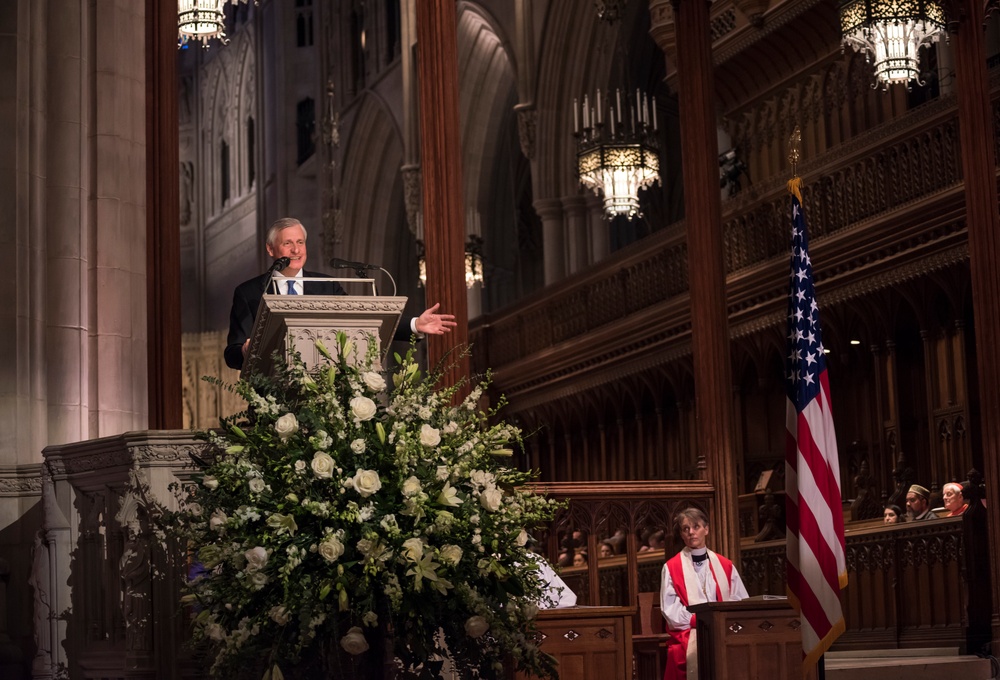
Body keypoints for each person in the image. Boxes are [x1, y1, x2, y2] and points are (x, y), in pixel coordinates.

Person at [224, 217, 457, 370]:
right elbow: (231, 354)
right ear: (271, 249)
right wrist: (246, 351)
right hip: (272, 401)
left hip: (326, 394)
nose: (296, 250)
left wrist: (416, 324)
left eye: (300, 242)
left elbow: (363, 321)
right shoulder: (250, 293)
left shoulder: (328, 285)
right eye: (288, 244)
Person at [661, 507, 748, 680]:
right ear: (681, 534)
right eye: (686, 529)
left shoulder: (725, 565)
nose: (691, 532)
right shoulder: (671, 567)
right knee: (681, 653)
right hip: (689, 630)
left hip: (723, 628)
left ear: (706, 529)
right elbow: (669, 609)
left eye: (696, 527)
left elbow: (740, 601)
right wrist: (699, 620)